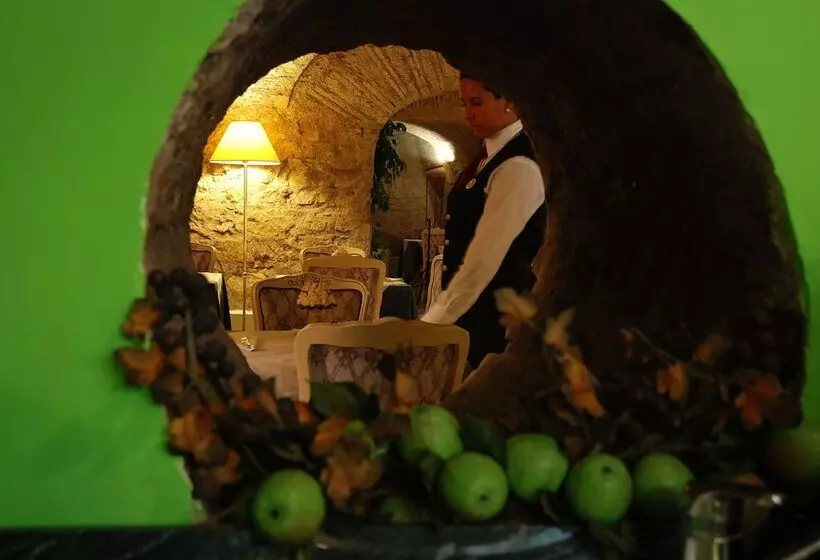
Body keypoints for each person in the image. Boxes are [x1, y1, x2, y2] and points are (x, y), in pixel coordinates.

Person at [421, 73, 547, 369]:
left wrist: (430, 325)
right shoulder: (488, 157)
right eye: (464, 103)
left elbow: (484, 260)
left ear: (510, 101)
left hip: (496, 322)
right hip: (473, 319)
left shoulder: (518, 164)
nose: (467, 113)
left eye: (477, 103)